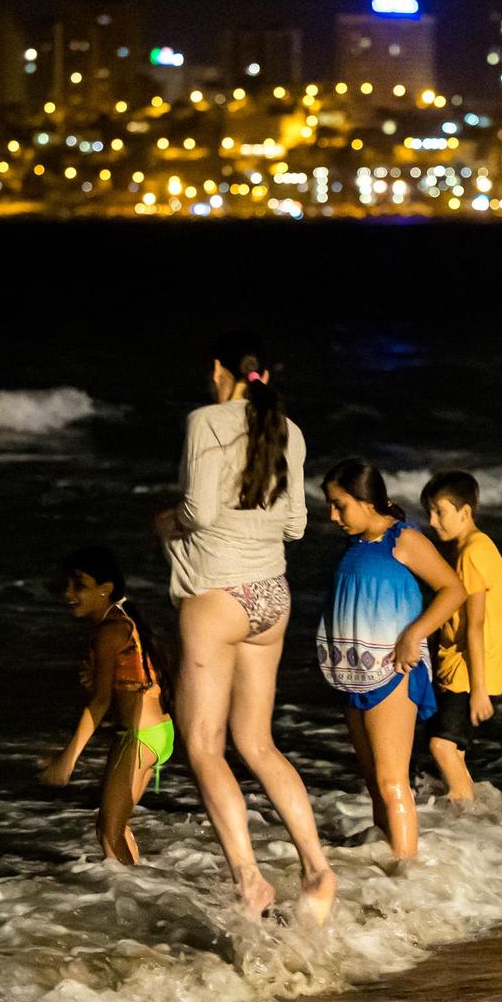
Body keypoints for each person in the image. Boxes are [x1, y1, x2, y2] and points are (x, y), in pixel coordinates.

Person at [157, 332, 337, 922]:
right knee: (257, 744)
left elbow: (198, 513)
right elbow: (295, 527)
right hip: (271, 597)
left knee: (204, 745)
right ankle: (316, 870)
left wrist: (164, 522)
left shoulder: (205, 421)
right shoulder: (292, 430)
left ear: (219, 370)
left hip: (218, 596)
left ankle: (250, 880)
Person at [316, 459, 466, 863]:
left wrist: (414, 635)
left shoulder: (402, 539)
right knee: (374, 781)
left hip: (394, 672)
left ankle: (406, 875)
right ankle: (384, 870)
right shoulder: (356, 543)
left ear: (366, 501)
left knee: (391, 779)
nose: (332, 515)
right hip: (353, 674)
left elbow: (453, 589)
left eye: (339, 505)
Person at [40, 545, 176, 864]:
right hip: (158, 732)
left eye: (80, 586)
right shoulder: (123, 620)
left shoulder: (110, 630)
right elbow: (136, 678)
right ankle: (145, 890)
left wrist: (68, 759)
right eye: (68, 585)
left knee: (108, 831)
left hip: (137, 737)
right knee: (116, 827)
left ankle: (141, 904)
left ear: (106, 589)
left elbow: (99, 703)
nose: (69, 593)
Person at [419, 470, 502, 803]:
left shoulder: (473, 553)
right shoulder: (475, 547)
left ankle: (468, 816)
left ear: (465, 512)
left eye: (439, 511)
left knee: (441, 746)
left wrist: (479, 691)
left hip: (467, 670)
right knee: (453, 752)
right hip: (461, 668)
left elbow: (476, 624)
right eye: (429, 512)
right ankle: (472, 818)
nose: (432, 521)